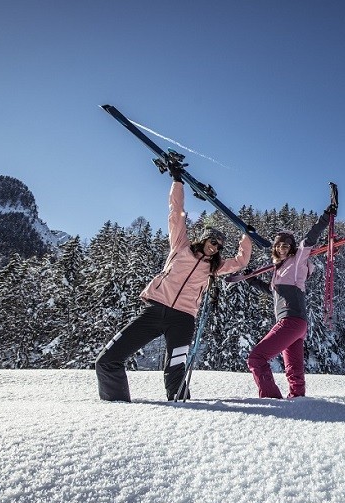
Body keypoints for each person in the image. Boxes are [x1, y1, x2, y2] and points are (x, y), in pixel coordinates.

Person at [95, 166, 252, 402]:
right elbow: (176, 211)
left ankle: (181, 413)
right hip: (155, 311)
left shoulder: (213, 266)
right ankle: (116, 408)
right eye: (213, 241)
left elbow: (240, 262)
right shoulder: (180, 245)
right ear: (203, 237)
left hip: (183, 319)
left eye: (220, 246)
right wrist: (177, 181)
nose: (216, 247)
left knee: (176, 372)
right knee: (107, 360)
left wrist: (246, 237)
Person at [244, 199, 336, 398]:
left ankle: (271, 399)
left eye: (286, 245)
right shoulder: (279, 270)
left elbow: (309, 240)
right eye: (278, 245)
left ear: (292, 248)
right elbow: (271, 292)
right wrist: (251, 280)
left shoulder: (296, 262)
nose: (282, 248)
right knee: (294, 370)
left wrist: (325, 217)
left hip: (290, 321)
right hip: (297, 324)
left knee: (256, 358)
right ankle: (298, 400)